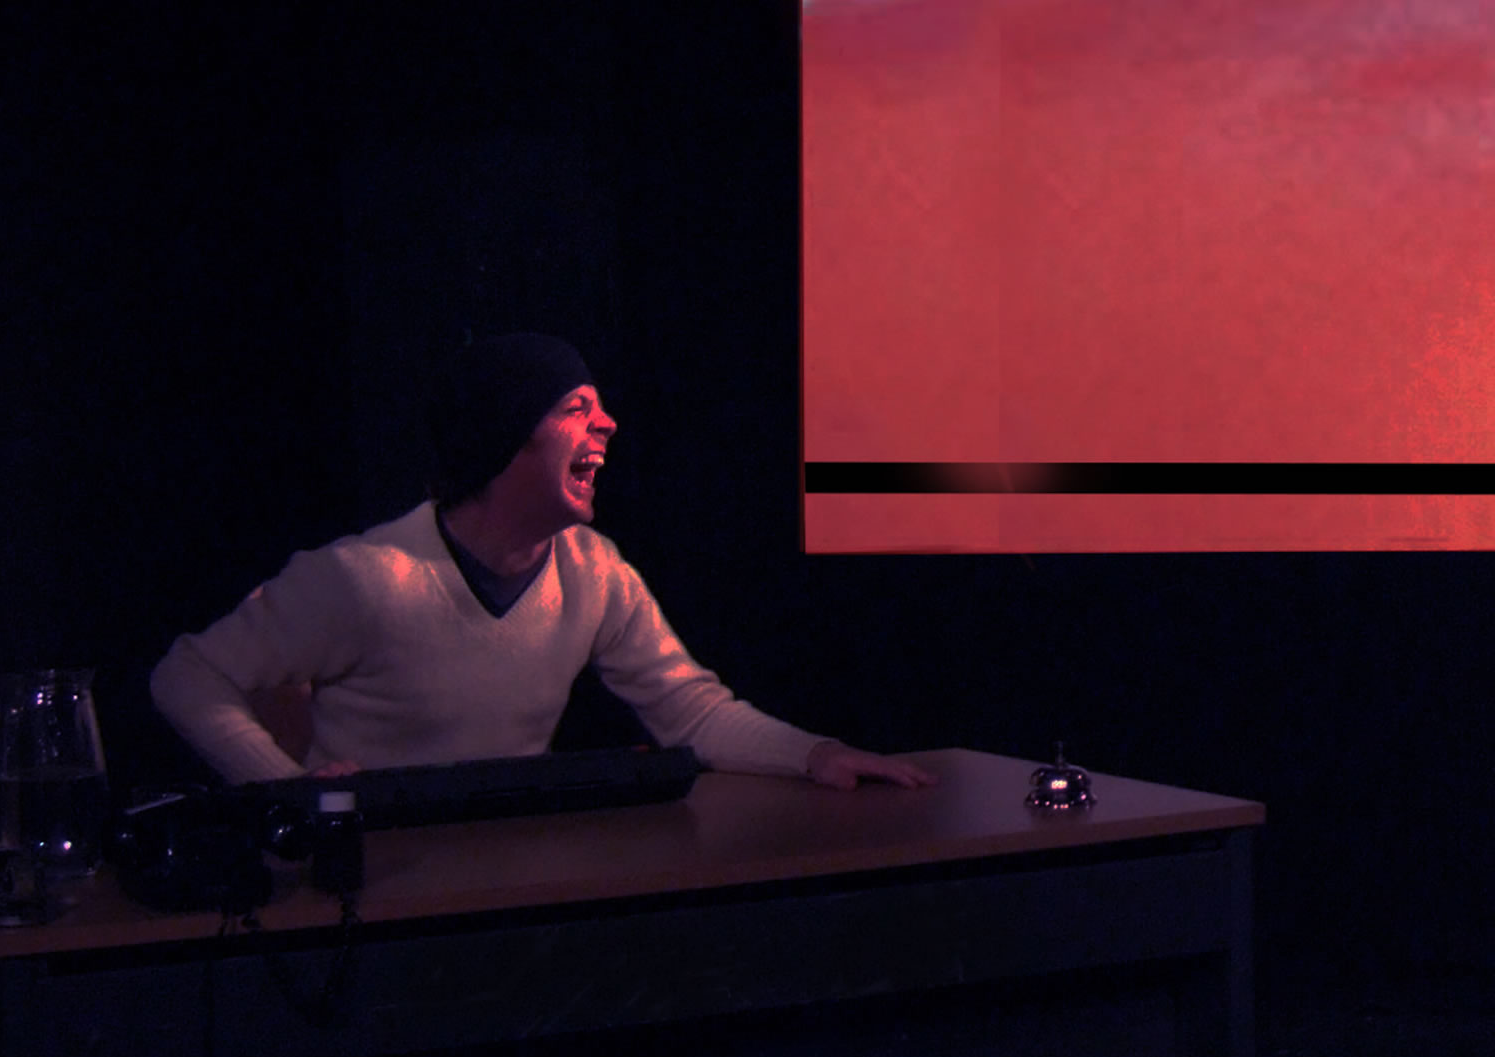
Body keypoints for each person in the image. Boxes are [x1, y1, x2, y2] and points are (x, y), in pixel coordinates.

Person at [149, 333, 935, 793]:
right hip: (375, 886)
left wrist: (816, 755)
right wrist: (287, 795)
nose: (609, 425)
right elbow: (188, 674)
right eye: (576, 409)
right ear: (505, 439)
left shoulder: (593, 573)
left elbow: (690, 712)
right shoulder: (368, 578)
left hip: (512, 873)